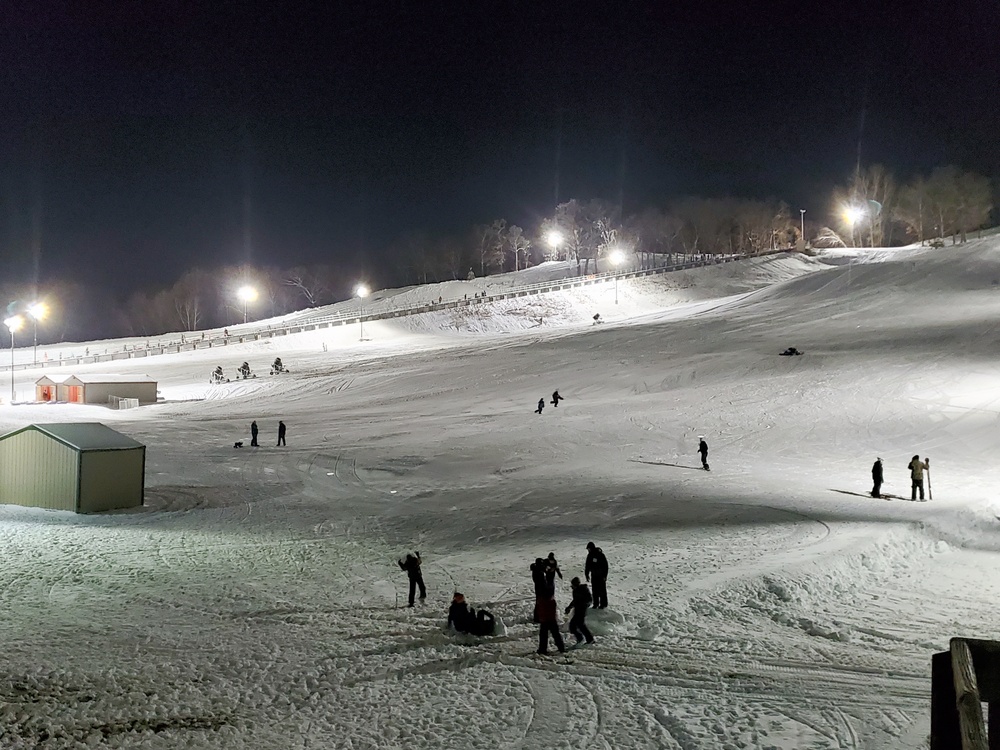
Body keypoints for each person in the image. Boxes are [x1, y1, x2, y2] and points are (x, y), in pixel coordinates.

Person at [565, 577, 595, 645]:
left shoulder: (584, 589)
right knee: (573, 626)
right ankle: (582, 638)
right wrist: (569, 608)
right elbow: (574, 601)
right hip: (577, 610)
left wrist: (584, 605)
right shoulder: (575, 591)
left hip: (582, 610)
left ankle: (589, 639)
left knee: (580, 625)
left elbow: (589, 600)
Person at [585, 542, 609, 609]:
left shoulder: (600, 555)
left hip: (601, 576)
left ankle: (603, 604)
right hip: (594, 576)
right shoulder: (590, 555)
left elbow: (605, 566)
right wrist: (586, 574)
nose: (588, 550)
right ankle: (596, 604)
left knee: (602, 590)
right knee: (595, 590)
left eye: (589, 549)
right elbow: (587, 565)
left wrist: (605, 576)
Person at [530, 558, 549, 623]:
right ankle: (538, 618)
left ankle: (538, 618)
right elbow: (543, 582)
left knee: (539, 604)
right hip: (541, 590)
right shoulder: (539, 572)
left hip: (538, 589)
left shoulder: (536, 570)